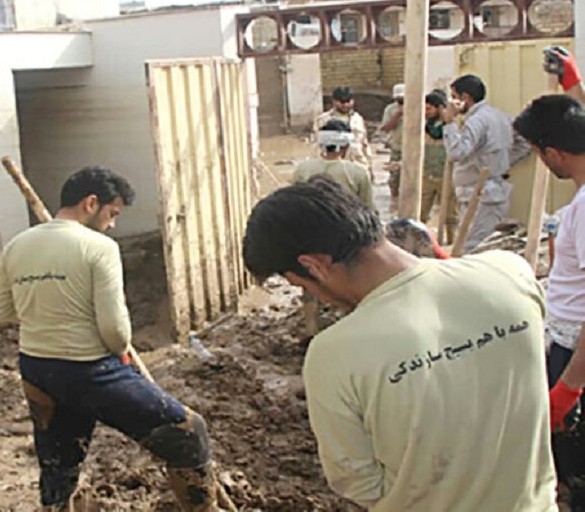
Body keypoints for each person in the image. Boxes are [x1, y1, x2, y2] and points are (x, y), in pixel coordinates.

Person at [242, 176, 557, 511]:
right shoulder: (510, 273)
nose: (316, 297)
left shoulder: (333, 353)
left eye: (300, 284)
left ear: (314, 265)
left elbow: (357, 480)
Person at [0, 167, 219, 511]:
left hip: (36, 368)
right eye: (112, 214)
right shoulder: (100, 248)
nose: (113, 224)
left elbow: (2, 312)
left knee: (59, 460)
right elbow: (115, 332)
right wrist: (115, 352)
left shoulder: (16, 246)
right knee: (188, 434)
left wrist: (47, 308)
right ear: (91, 203)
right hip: (91, 370)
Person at [516, 53, 585, 508]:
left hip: (574, 351)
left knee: (575, 473)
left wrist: (569, 387)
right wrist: (573, 86)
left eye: (541, 155)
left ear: (553, 154)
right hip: (566, 344)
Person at [441, 74, 514, 252]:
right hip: (491, 191)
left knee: (473, 248)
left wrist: (449, 122)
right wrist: (501, 161)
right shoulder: (499, 116)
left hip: (480, 195)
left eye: (454, 97)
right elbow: (523, 144)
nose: (452, 102)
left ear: (465, 98)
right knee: (487, 243)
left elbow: (456, 152)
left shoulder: (477, 121)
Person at [293, 119, 373, 209]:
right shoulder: (359, 172)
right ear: (346, 146)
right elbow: (368, 208)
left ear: (321, 145)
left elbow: (296, 204)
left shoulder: (302, 169)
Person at [421, 90, 458, 243]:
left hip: (448, 178)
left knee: (451, 216)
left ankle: (451, 245)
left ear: (440, 108)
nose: (426, 112)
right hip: (427, 176)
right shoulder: (424, 127)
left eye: (429, 109)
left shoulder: (453, 128)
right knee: (421, 214)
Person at [314, 86, 373, 174]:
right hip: (333, 168)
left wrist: (369, 167)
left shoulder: (357, 119)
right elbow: (317, 145)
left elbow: (364, 144)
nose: (345, 105)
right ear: (334, 101)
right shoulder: (323, 120)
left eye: (348, 101)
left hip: (357, 165)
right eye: (341, 102)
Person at [379, 83, 405, 203]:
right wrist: (397, 116)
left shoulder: (417, 106)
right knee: (394, 178)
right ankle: (394, 201)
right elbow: (385, 128)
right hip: (397, 148)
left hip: (413, 149)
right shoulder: (390, 109)